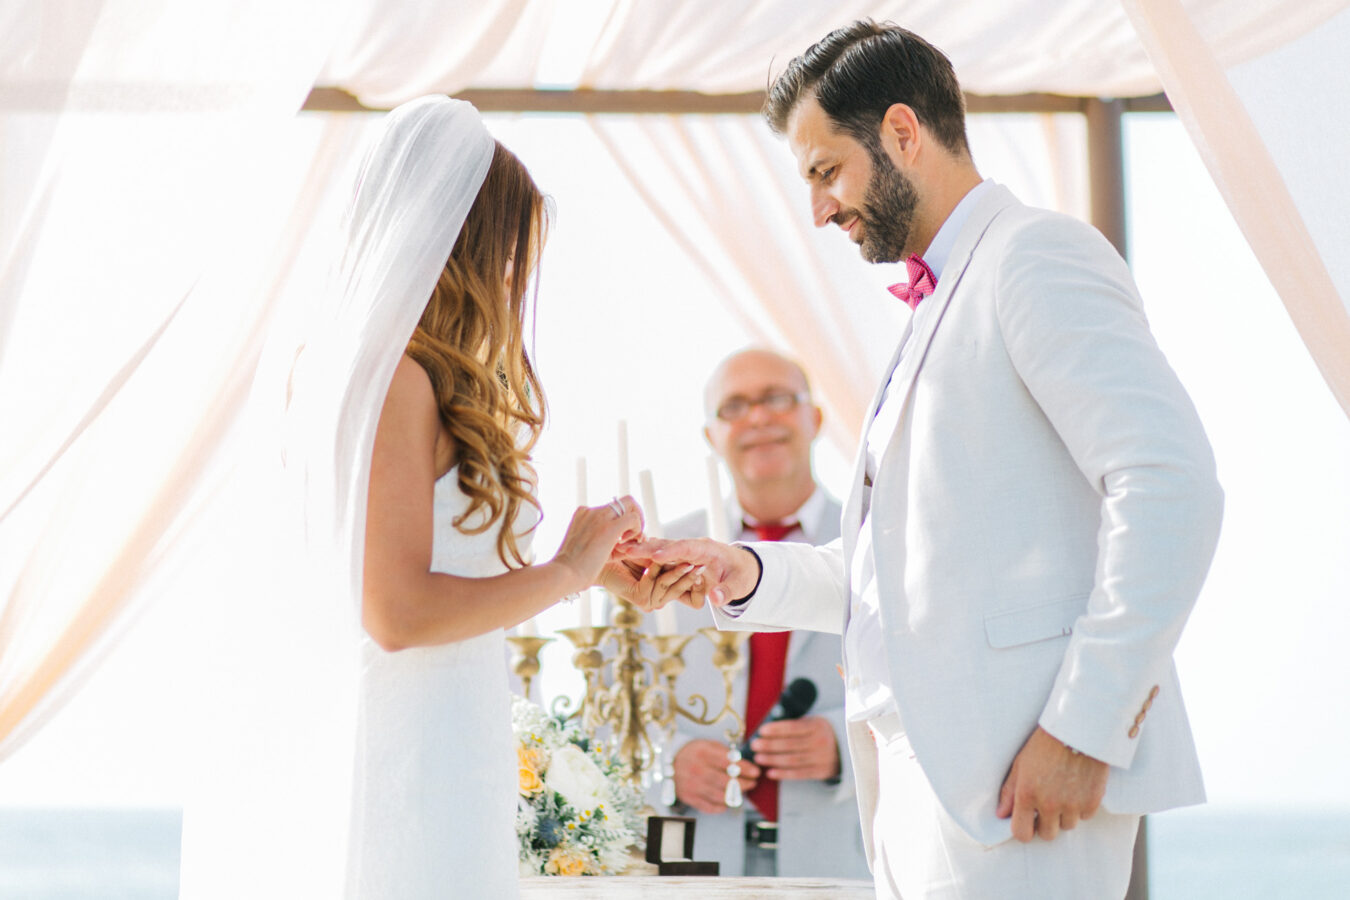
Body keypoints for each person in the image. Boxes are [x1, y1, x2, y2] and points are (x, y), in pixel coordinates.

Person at [619, 21, 1223, 900]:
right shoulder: (932, 309)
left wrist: (1086, 729)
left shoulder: (1033, 257)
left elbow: (1170, 487)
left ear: (903, 131)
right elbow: (889, 582)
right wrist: (740, 568)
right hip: (917, 795)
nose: (819, 208)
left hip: (1020, 785)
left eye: (826, 172)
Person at [304, 97, 643, 899]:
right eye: (509, 252)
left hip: (445, 754)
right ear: (466, 247)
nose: (514, 278)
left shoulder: (358, 374)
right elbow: (395, 613)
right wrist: (563, 570)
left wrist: (588, 573)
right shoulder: (395, 382)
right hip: (406, 769)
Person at [650, 348, 869, 878]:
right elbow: (610, 711)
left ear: (814, 419)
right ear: (711, 435)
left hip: (841, 857)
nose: (758, 418)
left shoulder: (873, 541)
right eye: (734, 407)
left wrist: (845, 745)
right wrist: (668, 765)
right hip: (694, 859)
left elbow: (936, 684)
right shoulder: (661, 556)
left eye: (777, 399)